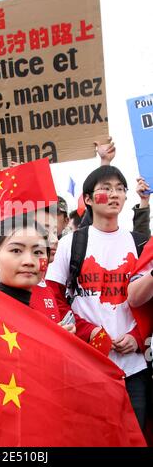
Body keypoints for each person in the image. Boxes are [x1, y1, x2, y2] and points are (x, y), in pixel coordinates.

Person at [46, 165, 149, 430]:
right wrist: (89, 332)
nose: (114, 194)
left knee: (134, 437)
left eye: (120, 189)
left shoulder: (140, 244)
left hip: (134, 369)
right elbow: (54, 298)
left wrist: (137, 338)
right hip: (87, 365)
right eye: (105, 189)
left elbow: (149, 301)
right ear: (89, 199)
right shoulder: (73, 242)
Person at [0, 215, 75, 333]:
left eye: (38, 252)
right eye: (16, 250)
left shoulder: (43, 321)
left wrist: (57, 342)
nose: (29, 261)